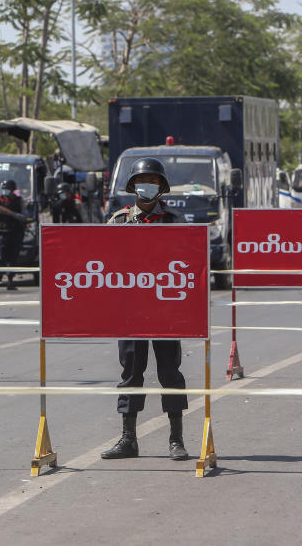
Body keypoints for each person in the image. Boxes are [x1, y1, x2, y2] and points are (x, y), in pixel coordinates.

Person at [101, 157, 190, 461]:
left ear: (161, 187)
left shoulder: (176, 222)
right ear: (133, 186)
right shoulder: (118, 220)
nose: (147, 185)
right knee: (130, 372)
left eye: (153, 181)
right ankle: (128, 439)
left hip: (165, 310)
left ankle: (176, 439)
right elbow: (102, 263)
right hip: (130, 310)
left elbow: (188, 263)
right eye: (143, 180)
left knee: (170, 372)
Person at [0, 179, 26, 291]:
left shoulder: (19, 201)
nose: (5, 192)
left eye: (7, 190)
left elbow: (24, 217)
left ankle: (10, 281)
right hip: (2, 233)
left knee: (12, 258)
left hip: (15, 233)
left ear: (13, 191)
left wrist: (10, 213)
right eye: (4, 190)